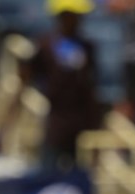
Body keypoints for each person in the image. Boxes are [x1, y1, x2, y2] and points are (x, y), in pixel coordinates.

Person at [12, 0, 104, 174]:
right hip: (56, 123)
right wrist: (6, 127)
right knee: (48, 174)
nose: (78, 20)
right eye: (73, 15)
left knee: (80, 179)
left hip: (81, 125)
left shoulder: (87, 48)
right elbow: (25, 80)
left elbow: (91, 92)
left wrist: (96, 129)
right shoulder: (45, 45)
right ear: (62, 16)